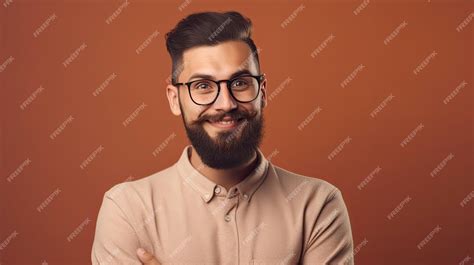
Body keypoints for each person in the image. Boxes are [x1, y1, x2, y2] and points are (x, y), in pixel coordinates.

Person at [91, 11, 354, 265]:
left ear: (262, 92)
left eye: (240, 83)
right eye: (203, 86)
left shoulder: (318, 205)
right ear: (174, 99)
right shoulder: (127, 210)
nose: (226, 104)